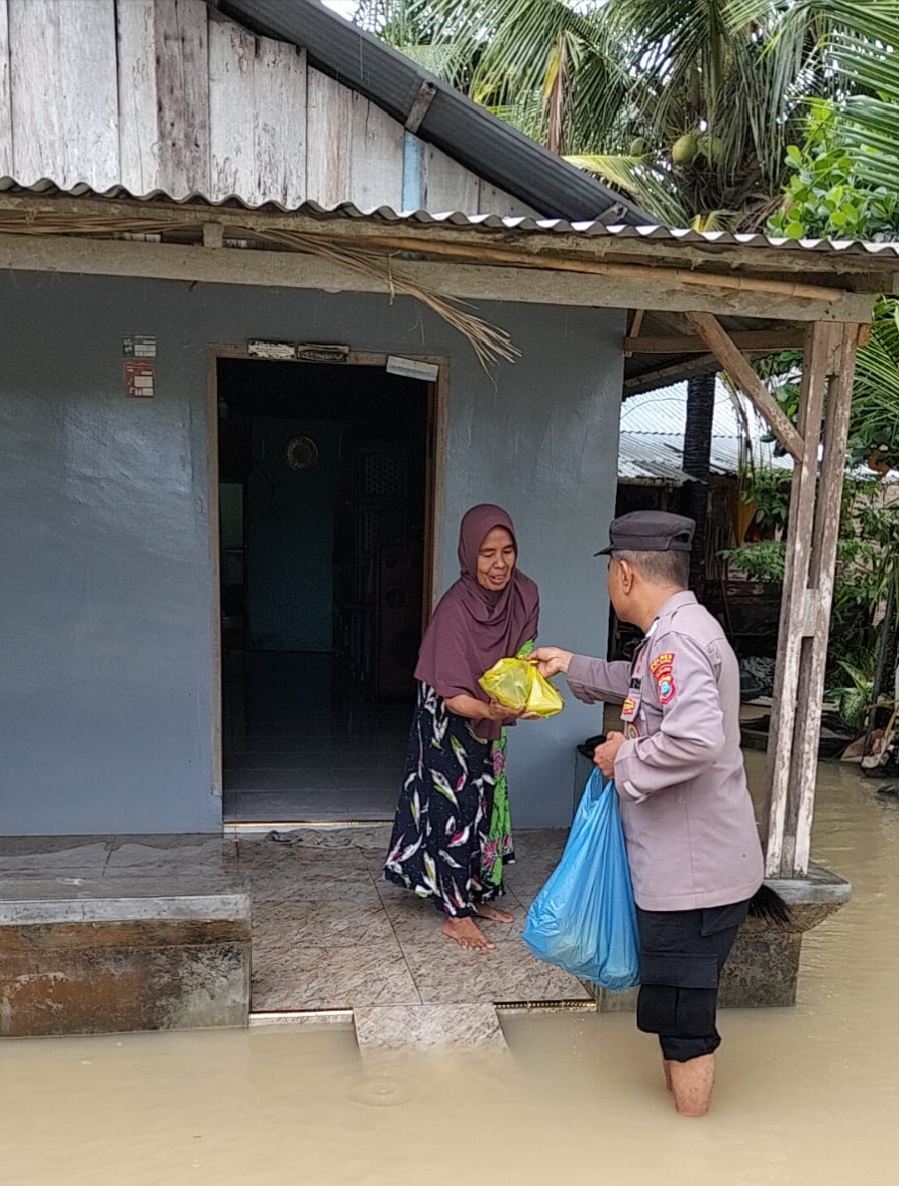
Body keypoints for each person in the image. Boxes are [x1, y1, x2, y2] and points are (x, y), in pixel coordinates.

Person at [532, 510, 765, 1118]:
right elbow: (640, 688)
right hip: (699, 869)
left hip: (693, 880)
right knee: (673, 1011)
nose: (611, 582)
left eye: (611, 570)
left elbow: (694, 739)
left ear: (626, 573)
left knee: (685, 1020)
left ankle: (692, 1147)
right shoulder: (678, 632)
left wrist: (620, 757)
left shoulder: (676, 640)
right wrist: (571, 665)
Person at [384, 504, 540, 952]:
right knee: (454, 806)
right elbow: (453, 696)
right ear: (469, 555)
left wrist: (521, 697)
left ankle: (475, 893)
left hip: (493, 707)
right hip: (449, 714)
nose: (499, 564)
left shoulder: (525, 593)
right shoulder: (455, 608)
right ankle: (455, 914)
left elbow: (522, 657)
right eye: (487, 553)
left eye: (507, 550)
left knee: (488, 800)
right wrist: (495, 711)